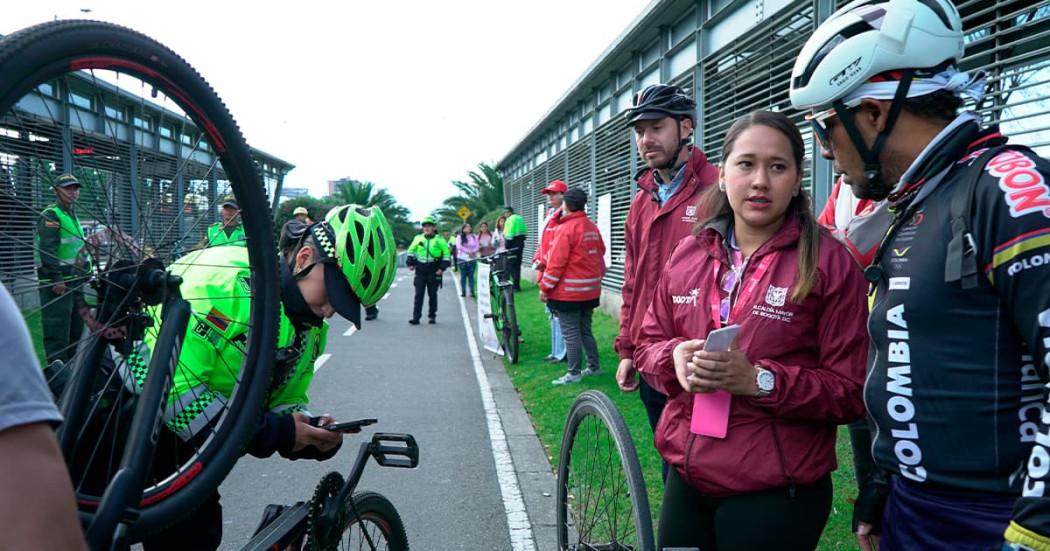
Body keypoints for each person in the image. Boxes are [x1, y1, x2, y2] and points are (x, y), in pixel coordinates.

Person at [790, 1, 1050, 549]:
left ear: (875, 114)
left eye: (825, 127)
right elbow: (906, 354)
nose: (824, 150)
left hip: (996, 517)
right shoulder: (917, 200)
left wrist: (1034, 531)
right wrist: (884, 480)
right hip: (917, 508)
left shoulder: (1005, 187)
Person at [634, 110, 868, 550]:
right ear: (722, 175)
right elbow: (648, 342)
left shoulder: (830, 264)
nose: (760, 180)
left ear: (797, 178)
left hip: (777, 487)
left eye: (777, 167)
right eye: (746, 164)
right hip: (688, 475)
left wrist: (759, 381)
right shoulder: (689, 252)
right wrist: (674, 360)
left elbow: (851, 392)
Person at [109, 204, 396, 550]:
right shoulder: (228, 283)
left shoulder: (310, 328)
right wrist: (280, 433)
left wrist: (308, 432)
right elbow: (174, 397)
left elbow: (282, 402)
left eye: (347, 304)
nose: (333, 310)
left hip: (181, 446)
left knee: (197, 535)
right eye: (334, 293)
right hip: (115, 416)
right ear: (304, 257)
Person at [613, 83, 719, 463]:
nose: (646, 139)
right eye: (640, 131)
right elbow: (632, 283)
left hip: (705, 363)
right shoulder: (641, 201)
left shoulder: (721, 189)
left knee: (708, 463)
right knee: (669, 459)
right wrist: (628, 349)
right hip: (653, 359)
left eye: (657, 127)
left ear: (686, 128)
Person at [0, 284, 87, 550]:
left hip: (75, 277)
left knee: (72, 339)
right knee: (59, 341)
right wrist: (57, 273)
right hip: (61, 279)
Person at [540, 187, 606, 385]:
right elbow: (601, 251)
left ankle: (574, 373)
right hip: (590, 291)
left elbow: (556, 264)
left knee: (571, 333)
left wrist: (545, 288)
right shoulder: (591, 227)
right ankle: (594, 367)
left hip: (568, 294)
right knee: (585, 330)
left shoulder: (565, 229)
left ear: (566, 205)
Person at [35, 173, 90, 366]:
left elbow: (77, 247)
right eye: (68, 188)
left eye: (75, 188)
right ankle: (57, 373)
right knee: (57, 328)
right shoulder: (52, 215)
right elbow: (47, 249)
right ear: (56, 191)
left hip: (74, 280)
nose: (73, 192)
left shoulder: (70, 214)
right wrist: (56, 278)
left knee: (76, 328)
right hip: (58, 282)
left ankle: (74, 373)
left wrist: (87, 270)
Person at [533, 180, 569, 364]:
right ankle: (556, 351)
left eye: (554, 193)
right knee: (552, 314)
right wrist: (537, 257)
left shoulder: (563, 215)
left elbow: (557, 246)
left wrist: (544, 260)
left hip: (552, 269)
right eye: (549, 193)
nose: (551, 197)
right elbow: (543, 242)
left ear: (564, 195)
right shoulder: (550, 214)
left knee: (558, 314)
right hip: (545, 267)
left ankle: (562, 353)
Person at [406, 216, 451, 325]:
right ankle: (416, 318)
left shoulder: (439, 240)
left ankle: (432, 316)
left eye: (429, 226)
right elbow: (410, 251)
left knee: (432, 294)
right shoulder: (418, 238)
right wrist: (410, 264)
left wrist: (441, 268)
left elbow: (446, 254)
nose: (426, 228)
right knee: (418, 295)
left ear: (433, 227)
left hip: (434, 269)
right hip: (421, 269)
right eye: (424, 226)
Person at [502, 205, 527, 291]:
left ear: (508, 212)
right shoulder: (520, 218)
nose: (504, 214)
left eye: (505, 212)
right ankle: (517, 285)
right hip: (520, 246)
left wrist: (507, 246)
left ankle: (515, 287)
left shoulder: (509, 220)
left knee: (512, 267)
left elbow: (509, 236)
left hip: (512, 247)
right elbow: (525, 233)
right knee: (517, 266)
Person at [455, 222, 480, 298]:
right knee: (463, 275)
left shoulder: (474, 236)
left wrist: (473, 252)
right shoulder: (459, 237)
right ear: (463, 229)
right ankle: (463, 291)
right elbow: (459, 246)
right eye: (466, 227)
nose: (468, 228)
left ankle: (472, 290)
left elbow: (477, 246)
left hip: (472, 258)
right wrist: (468, 252)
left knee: (471, 276)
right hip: (462, 258)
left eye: (469, 227)